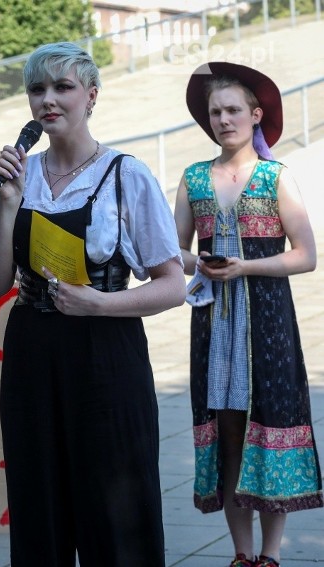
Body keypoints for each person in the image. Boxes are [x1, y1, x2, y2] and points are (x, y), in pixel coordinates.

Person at [0, 42, 186, 566]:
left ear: (91, 96)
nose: (48, 100)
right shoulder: (19, 177)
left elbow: (174, 283)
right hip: (31, 349)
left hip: (106, 349)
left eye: (62, 87)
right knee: (37, 498)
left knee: (114, 501)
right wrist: (6, 204)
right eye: (37, 89)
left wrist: (101, 304)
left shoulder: (125, 175)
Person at [174, 61, 323, 567]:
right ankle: (242, 555)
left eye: (233, 109)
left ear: (256, 115)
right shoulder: (194, 179)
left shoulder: (276, 176)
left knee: (271, 427)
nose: (223, 119)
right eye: (215, 111)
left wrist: (245, 267)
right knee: (229, 431)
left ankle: (271, 555)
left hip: (267, 323)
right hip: (214, 325)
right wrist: (206, 264)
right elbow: (173, 254)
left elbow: (306, 254)